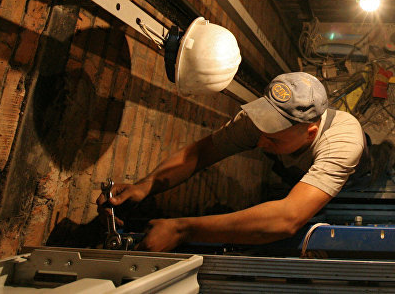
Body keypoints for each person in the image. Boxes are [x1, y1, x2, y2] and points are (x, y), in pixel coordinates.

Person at [99, 72, 378, 252]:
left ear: (311, 132)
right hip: (297, 165)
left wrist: (183, 229)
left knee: (372, 171)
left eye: (273, 138)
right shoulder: (257, 125)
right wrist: (145, 186)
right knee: (290, 175)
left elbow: (287, 218)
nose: (260, 143)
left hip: (358, 171)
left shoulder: (343, 143)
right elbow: (201, 153)